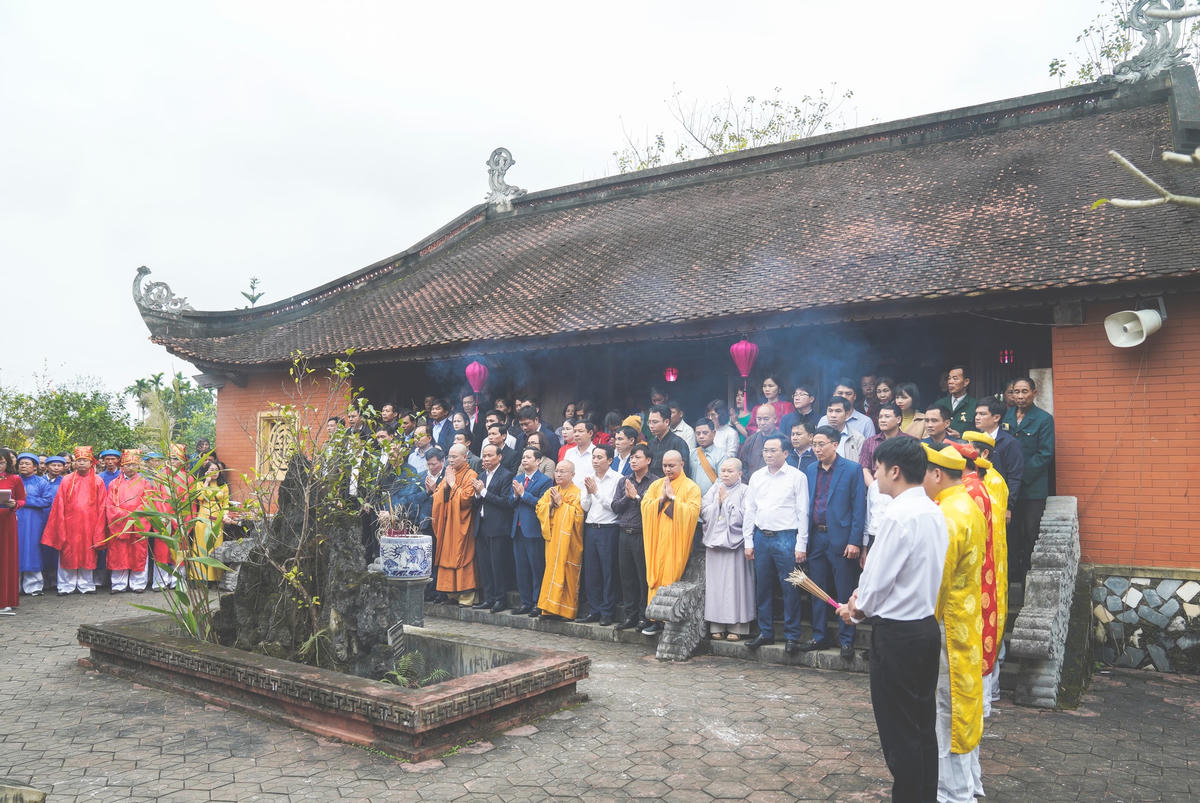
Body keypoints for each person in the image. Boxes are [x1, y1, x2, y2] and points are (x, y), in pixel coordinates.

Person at [837, 436, 947, 803]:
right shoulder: (933, 510)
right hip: (925, 628)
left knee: (899, 731)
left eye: (879, 468)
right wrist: (863, 597)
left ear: (895, 471)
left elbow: (879, 577)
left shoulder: (897, 515)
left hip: (898, 634)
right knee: (922, 725)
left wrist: (856, 608)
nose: (875, 474)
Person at [923, 444, 987, 803]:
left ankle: (953, 792)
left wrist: (923, 627)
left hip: (948, 624)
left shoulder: (947, 514)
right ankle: (969, 782)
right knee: (964, 704)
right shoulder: (967, 504)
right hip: (967, 618)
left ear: (937, 474)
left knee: (947, 709)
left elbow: (939, 580)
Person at [802, 426, 867, 659]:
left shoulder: (852, 469)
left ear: (835, 445)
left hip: (841, 538)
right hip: (816, 537)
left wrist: (855, 541)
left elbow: (859, 507)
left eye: (821, 444)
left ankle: (846, 640)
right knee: (817, 589)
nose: (817, 449)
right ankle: (819, 636)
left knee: (844, 589)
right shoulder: (811, 469)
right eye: (814, 444)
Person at [744, 434, 809, 652]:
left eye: (773, 450)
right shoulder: (757, 476)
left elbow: (803, 512)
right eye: (765, 450)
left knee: (790, 587)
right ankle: (765, 632)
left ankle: (792, 636)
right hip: (761, 536)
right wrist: (748, 540)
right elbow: (750, 510)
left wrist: (801, 544)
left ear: (786, 453)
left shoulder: (797, 477)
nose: (768, 454)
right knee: (762, 587)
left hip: (787, 537)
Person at [963, 430, 1011, 713]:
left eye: (970, 450)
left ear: (984, 454)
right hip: (982, 559)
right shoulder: (977, 481)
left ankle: (989, 693)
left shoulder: (991, 481)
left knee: (990, 624)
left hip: (990, 560)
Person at [639, 450, 701, 636]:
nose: (667, 469)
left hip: (676, 543)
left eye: (672, 465)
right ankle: (654, 619)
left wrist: (673, 499)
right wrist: (662, 499)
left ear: (682, 464)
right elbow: (645, 506)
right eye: (665, 465)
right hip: (657, 540)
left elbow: (693, 513)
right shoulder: (656, 485)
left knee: (670, 578)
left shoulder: (691, 487)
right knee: (656, 576)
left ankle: (668, 620)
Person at [1002, 377, 1054, 584]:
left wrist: (1019, 475)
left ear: (1034, 392)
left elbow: (1045, 454)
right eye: (1016, 392)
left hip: (1032, 488)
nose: (1020, 396)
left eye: (1024, 391)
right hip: (1009, 487)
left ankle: (1028, 577)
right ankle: (1012, 575)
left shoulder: (1044, 419)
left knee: (1031, 532)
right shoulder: (1006, 416)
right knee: (1011, 532)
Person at [701, 457, 755, 641]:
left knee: (736, 585)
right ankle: (716, 625)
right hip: (715, 544)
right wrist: (718, 503)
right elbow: (704, 511)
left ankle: (738, 627)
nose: (725, 474)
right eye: (723, 470)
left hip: (736, 545)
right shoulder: (715, 488)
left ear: (739, 473)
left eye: (730, 471)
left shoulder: (746, 490)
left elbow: (747, 517)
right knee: (715, 586)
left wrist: (727, 504)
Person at [42, 446, 106, 595]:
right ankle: (66, 585)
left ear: (91, 463)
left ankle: (86, 585)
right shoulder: (67, 480)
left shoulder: (98, 481)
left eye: (85, 460)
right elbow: (59, 504)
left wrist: (99, 526)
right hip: (69, 524)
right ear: (74, 463)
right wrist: (60, 524)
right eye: (79, 460)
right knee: (67, 553)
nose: (82, 463)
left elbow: (102, 505)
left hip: (90, 525)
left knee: (88, 554)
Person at [612, 444, 658, 631]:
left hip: (643, 535)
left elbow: (654, 510)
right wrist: (628, 497)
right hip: (624, 534)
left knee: (643, 578)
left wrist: (636, 496)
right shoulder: (624, 481)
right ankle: (629, 616)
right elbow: (615, 507)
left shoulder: (655, 482)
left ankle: (643, 617)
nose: (633, 461)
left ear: (648, 460)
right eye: (631, 458)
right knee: (627, 578)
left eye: (637, 457)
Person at [103, 449, 159, 594]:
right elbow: (110, 504)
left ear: (138, 466)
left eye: (133, 464)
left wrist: (134, 515)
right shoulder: (114, 484)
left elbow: (147, 502)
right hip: (120, 523)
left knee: (138, 553)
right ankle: (118, 584)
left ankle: (138, 583)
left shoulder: (145, 483)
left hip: (138, 523)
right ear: (122, 466)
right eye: (127, 465)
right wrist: (123, 515)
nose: (130, 467)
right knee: (119, 554)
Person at [578, 444, 622, 625]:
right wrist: (589, 493)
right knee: (592, 572)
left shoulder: (618, 479)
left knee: (608, 572)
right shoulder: (589, 478)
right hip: (591, 528)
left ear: (610, 460)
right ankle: (593, 610)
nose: (595, 461)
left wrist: (596, 492)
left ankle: (607, 612)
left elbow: (614, 506)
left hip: (608, 528)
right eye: (594, 457)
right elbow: (584, 506)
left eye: (599, 457)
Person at [536, 460, 585, 620]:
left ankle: (567, 611)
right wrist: (551, 505)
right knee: (551, 572)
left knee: (568, 574)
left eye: (563, 471)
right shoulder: (551, 491)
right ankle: (549, 609)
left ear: (572, 474)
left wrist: (561, 504)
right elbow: (539, 507)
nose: (558, 474)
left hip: (570, 543)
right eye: (557, 471)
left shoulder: (577, 493)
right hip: (553, 541)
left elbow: (579, 516)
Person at [471, 443, 516, 613]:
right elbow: (476, 502)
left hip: (498, 526)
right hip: (482, 524)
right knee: (485, 565)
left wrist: (483, 492)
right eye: (484, 455)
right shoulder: (481, 475)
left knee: (498, 565)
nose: (486, 459)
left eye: (490, 455)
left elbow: (506, 502)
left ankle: (500, 599)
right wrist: (477, 494)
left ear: (499, 457)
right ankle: (488, 598)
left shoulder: (506, 475)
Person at [432, 444, 479, 606]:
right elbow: (437, 496)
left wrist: (452, 484)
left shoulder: (471, 474)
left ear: (465, 457)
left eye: (454, 457)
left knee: (463, 557)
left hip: (462, 524)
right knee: (447, 556)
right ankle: (451, 594)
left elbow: (466, 499)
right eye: (449, 457)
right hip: (448, 524)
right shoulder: (449, 473)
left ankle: (466, 596)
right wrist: (445, 486)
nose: (450, 460)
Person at [510, 447, 553, 616]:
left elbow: (542, 504)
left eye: (528, 457)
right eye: (523, 457)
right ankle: (525, 602)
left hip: (534, 529)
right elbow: (510, 501)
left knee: (536, 568)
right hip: (518, 529)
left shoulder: (545, 481)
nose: (524, 460)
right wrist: (515, 495)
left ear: (538, 461)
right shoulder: (518, 478)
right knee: (521, 568)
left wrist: (523, 494)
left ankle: (537, 602)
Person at [15, 453, 52, 596]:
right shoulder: (13, 480)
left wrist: (25, 499)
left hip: (33, 523)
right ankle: (13, 587)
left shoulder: (41, 482)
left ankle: (34, 586)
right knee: (15, 551)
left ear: (35, 467)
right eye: (21, 463)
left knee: (32, 551)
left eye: (27, 464)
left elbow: (47, 501)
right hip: (14, 521)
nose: (23, 466)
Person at [973, 397, 1023, 502]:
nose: (977, 417)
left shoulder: (1009, 442)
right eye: (976, 413)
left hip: (999, 499)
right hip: (976, 497)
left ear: (996, 418)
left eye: (982, 414)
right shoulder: (972, 440)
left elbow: (1014, 477)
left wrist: (1009, 505)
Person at [192, 459, 230, 583]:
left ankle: (215, 578)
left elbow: (225, 504)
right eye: (211, 470)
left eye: (216, 470)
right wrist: (206, 482)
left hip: (217, 520)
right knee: (202, 547)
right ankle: (200, 577)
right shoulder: (200, 484)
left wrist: (225, 515)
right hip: (203, 519)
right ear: (206, 471)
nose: (214, 472)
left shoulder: (223, 486)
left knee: (216, 548)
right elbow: (199, 497)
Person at [858, 402, 910, 483]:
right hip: (875, 486)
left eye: (887, 416)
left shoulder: (909, 442)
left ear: (898, 419)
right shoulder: (870, 442)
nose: (882, 420)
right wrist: (874, 487)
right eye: (880, 417)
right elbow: (864, 468)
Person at [0, 448, 25, 615]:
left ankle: (6, 600)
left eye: (1, 463)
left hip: (6, 524)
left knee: (6, 559)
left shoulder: (15, 479)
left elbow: (22, 500)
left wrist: (14, 504)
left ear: (7, 463)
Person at [38, 455, 65, 592]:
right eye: (53, 465)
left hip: (58, 519)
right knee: (41, 547)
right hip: (41, 518)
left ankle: (55, 578)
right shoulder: (39, 481)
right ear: (47, 466)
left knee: (56, 547)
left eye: (59, 465)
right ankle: (43, 578)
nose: (56, 468)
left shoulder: (65, 482)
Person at [738, 404, 782, 478]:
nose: (762, 423)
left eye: (766, 419)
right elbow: (743, 465)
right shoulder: (750, 441)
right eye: (759, 419)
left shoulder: (782, 440)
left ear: (775, 419)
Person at [646, 404, 690, 477]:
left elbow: (683, 472)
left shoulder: (678, 443)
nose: (651, 426)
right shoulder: (650, 444)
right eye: (649, 422)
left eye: (655, 422)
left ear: (666, 422)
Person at [936, 365, 978, 439]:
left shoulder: (975, 405)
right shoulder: (940, 403)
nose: (950, 382)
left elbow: (980, 433)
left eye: (955, 379)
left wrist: (960, 436)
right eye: (949, 379)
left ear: (966, 382)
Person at [689, 419, 728, 497]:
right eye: (698, 433)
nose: (701, 436)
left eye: (705, 433)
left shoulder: (721, 455)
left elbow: (722, 481)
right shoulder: (691, 454)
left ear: (714, 433)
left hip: (712, 499)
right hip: (692, 499)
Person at [823, 397, 865, 462]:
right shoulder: (819, 436)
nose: (833, 415)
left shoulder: (857, 438)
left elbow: (861, 464)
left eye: (838, 411)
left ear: (847, 414)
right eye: (830, 411)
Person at [563, 419, 599, 491]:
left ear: (590, 433)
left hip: (590, 495)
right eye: (575, 431)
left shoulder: (597, 453)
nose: (576, 434)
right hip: (569, 495)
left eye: (580, 431)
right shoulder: (569, 453)